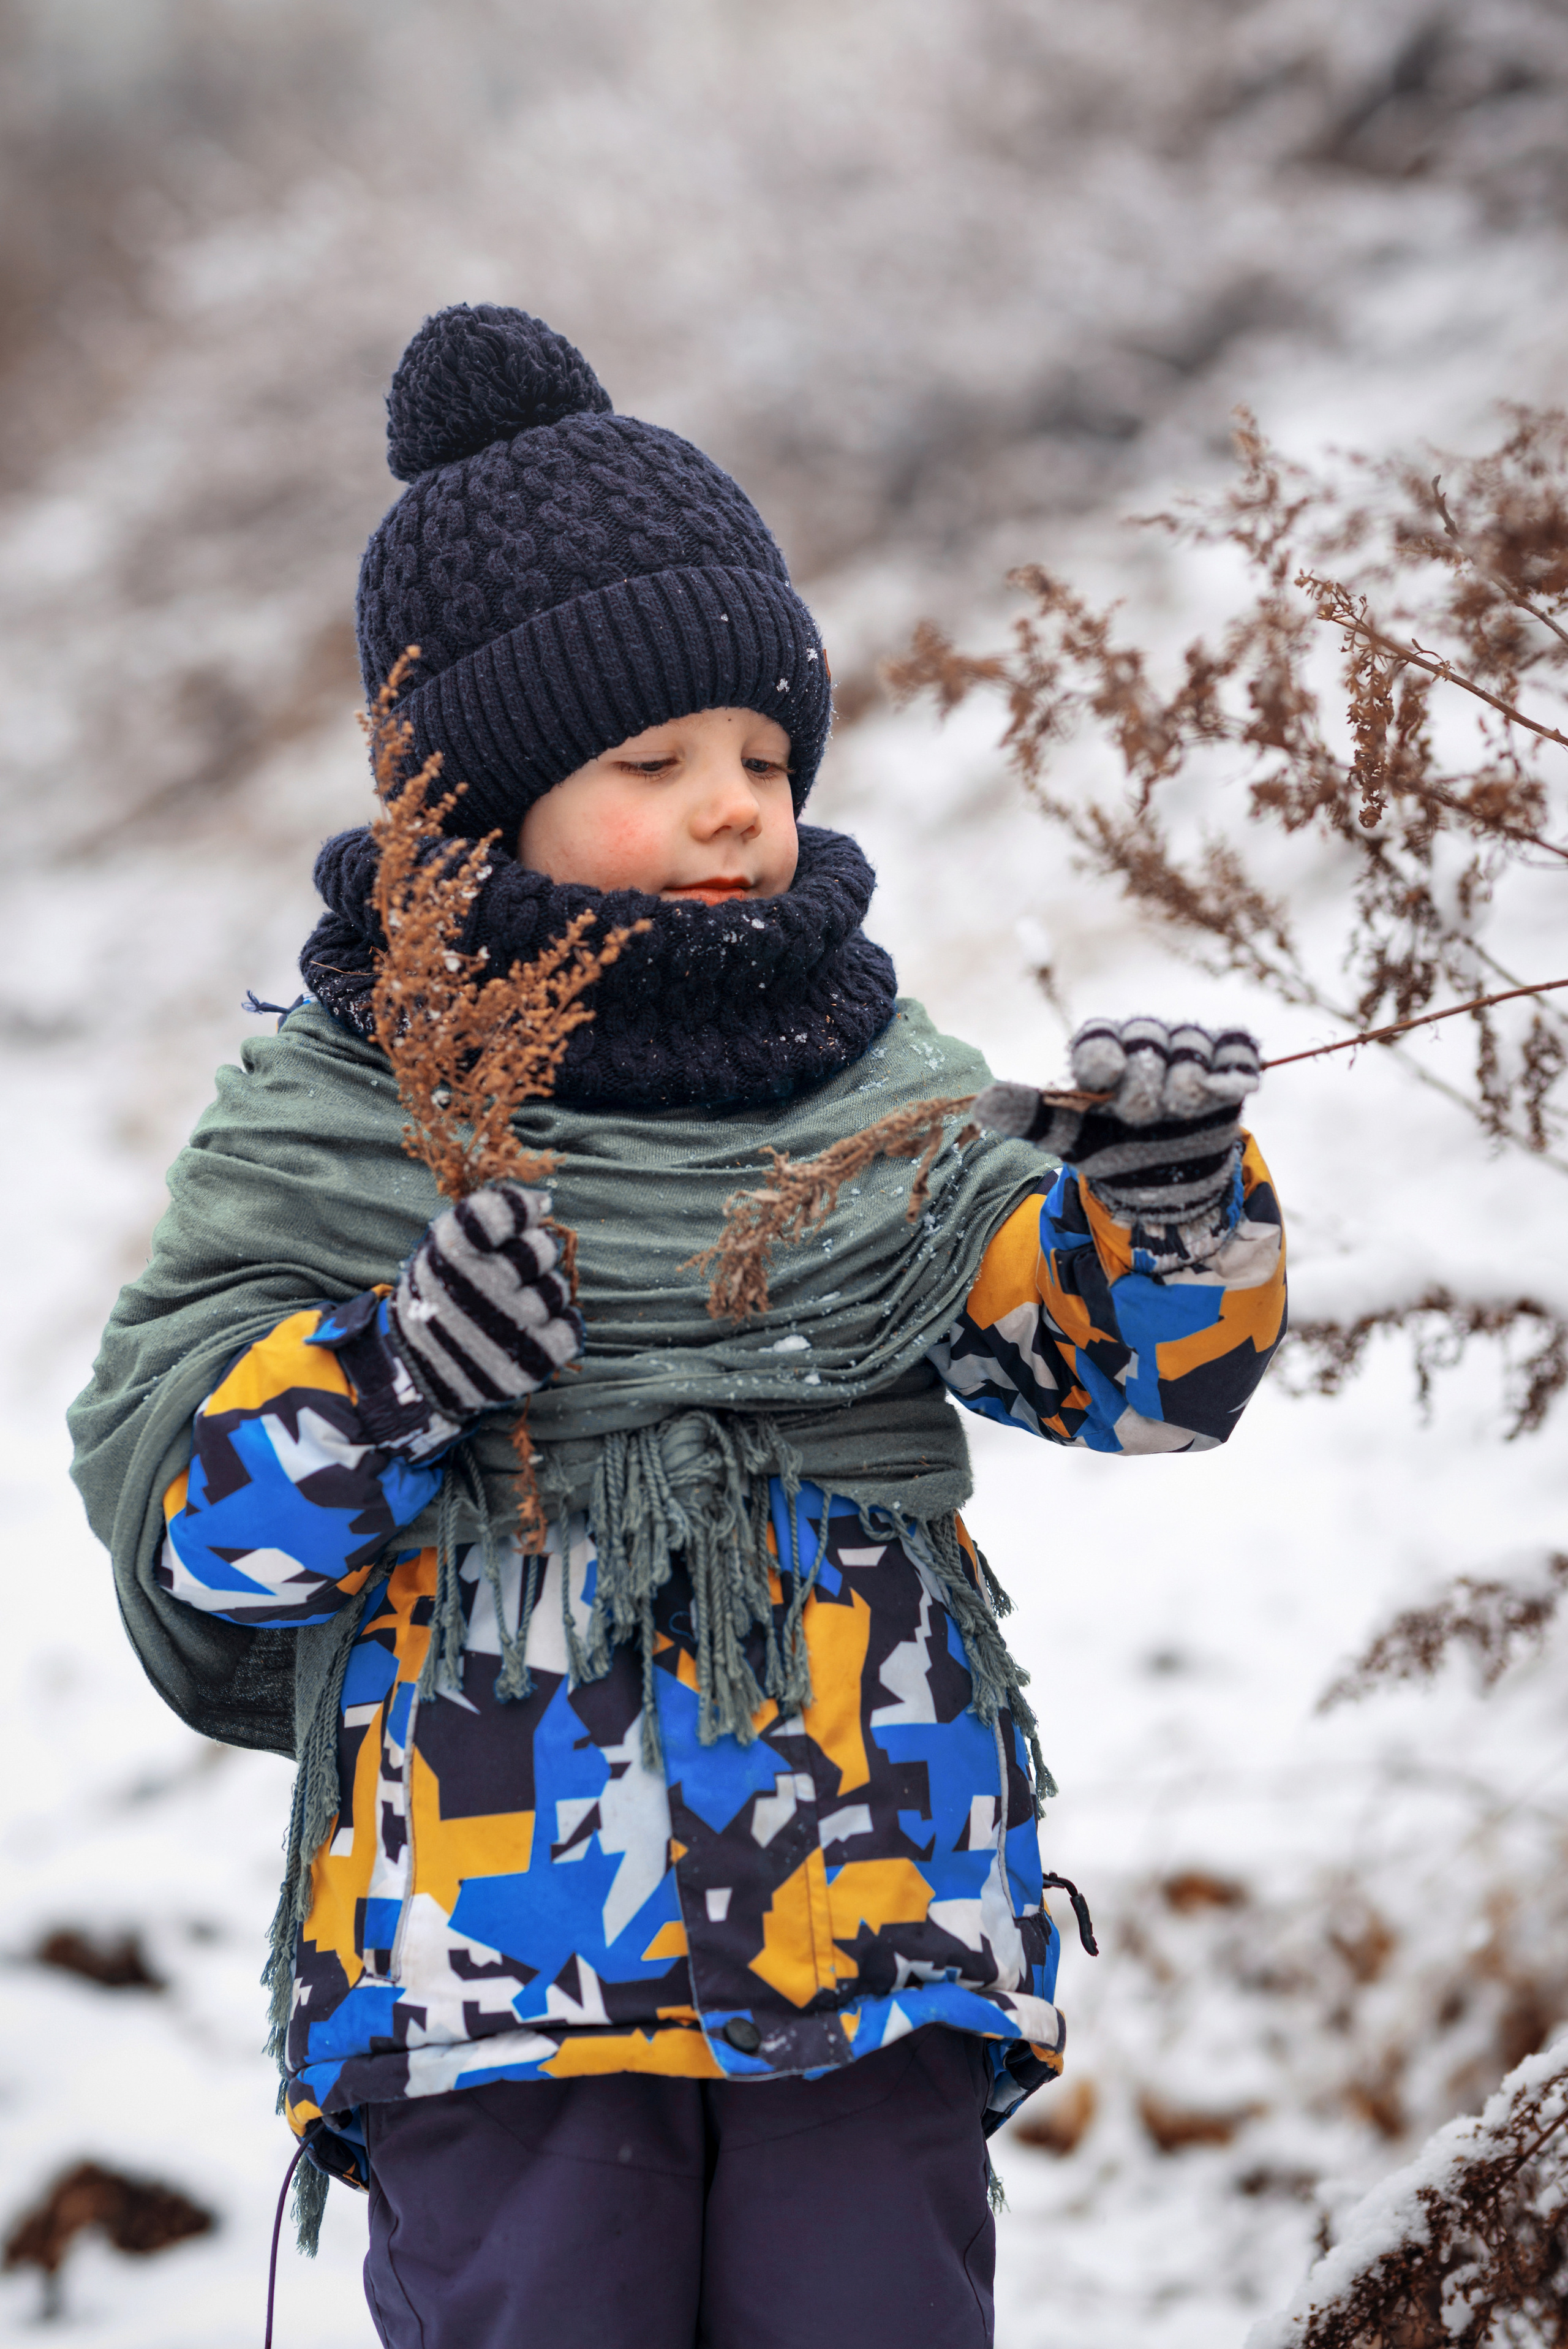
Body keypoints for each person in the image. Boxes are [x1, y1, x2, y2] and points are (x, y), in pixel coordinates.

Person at [69, 305, 1287, 2349]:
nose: (736, 806)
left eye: (764, 756)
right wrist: (394, 1372)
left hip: (876, 1927)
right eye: (654, 763)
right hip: (495, 1977)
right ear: (483, 806)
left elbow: (1135, 1376)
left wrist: (1161, 1202)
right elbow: (202, 1532)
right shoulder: (355, 1117)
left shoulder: (871, 1085)